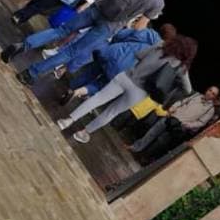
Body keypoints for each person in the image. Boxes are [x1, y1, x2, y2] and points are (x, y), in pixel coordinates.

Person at [4, 0, 182, 85]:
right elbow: (139, 27)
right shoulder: (158, 3)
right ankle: (30, 73)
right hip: (110, 26)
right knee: (73, 50)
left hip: (99, 8)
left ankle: (22, 45)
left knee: (61, 31)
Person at [57, 34, 198, 144]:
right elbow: (188, 89)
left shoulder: (160, 46)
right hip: (140, 91)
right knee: (111, 112)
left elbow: (139, 55)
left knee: (97, 99)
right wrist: (174, 81)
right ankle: (83, 133)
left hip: (126, 76)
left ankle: (67, 121)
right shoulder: (181, 67)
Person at [58, 23, 173, 105]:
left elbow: (120, 35)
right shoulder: (159, 51)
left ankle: (70, 88)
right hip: (124, 68)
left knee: (92, 70)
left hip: (113, 52)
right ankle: (79, 91)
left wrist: (117, 45)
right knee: (101, 83)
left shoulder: (144, 31)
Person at [130, 86, 220, 163]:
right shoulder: (196, 95)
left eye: (213, 94)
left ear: (215, 97)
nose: (210, 93)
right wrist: (172, 108)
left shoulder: (210, 110)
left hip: (179, 126)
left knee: (160, 142)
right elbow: (181, 102)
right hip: (172, 117)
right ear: (207, 90)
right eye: (210, 90)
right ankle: (135, 148)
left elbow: (201, 122)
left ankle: (143, 157)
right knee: (152, 132)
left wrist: (187, 125)